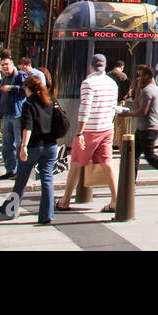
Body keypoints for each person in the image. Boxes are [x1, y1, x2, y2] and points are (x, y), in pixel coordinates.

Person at [57, 54, 120, 214]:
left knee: (76, 164)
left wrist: (79, 133)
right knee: (107, 163)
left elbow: (85, 108)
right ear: (104, 66)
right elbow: (114, 106)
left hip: (90, 129)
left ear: (91, 66)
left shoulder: (88, 83)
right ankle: (116, 200)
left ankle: (65, 200)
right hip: (106, 127)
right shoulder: (112, 84)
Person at [5, 75, 58, 223]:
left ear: (28, 89)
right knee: (47, 179)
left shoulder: (29, 104)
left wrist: (23, 146)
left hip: (33, 146)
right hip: (50, 145)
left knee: (21, 179)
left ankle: (12, 209)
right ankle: (47, 214)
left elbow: (27, 126)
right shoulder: (51, 101)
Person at [129, 65, 158, 179]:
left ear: (147, 76)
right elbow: (137, 106)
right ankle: (130, 182)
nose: (139, 78)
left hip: (148, 128)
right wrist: (138, 89)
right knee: (134, 155)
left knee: (150, 156)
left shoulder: (148, 90)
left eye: (141, 75)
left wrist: (127, 114)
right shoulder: (154, 88)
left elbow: (141, 111)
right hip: (144, 127)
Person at [0, 57, 27, 179]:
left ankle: (21, 171)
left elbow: (26, 89)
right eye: (3, 65)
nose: (5, 67)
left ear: (13, 65)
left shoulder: (20, 76)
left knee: (19, 144)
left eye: (7, 64)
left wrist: (12, 88)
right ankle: (10, 169)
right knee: (7, 145)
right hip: (6, 115)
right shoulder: (3, 80)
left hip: (18, 114)